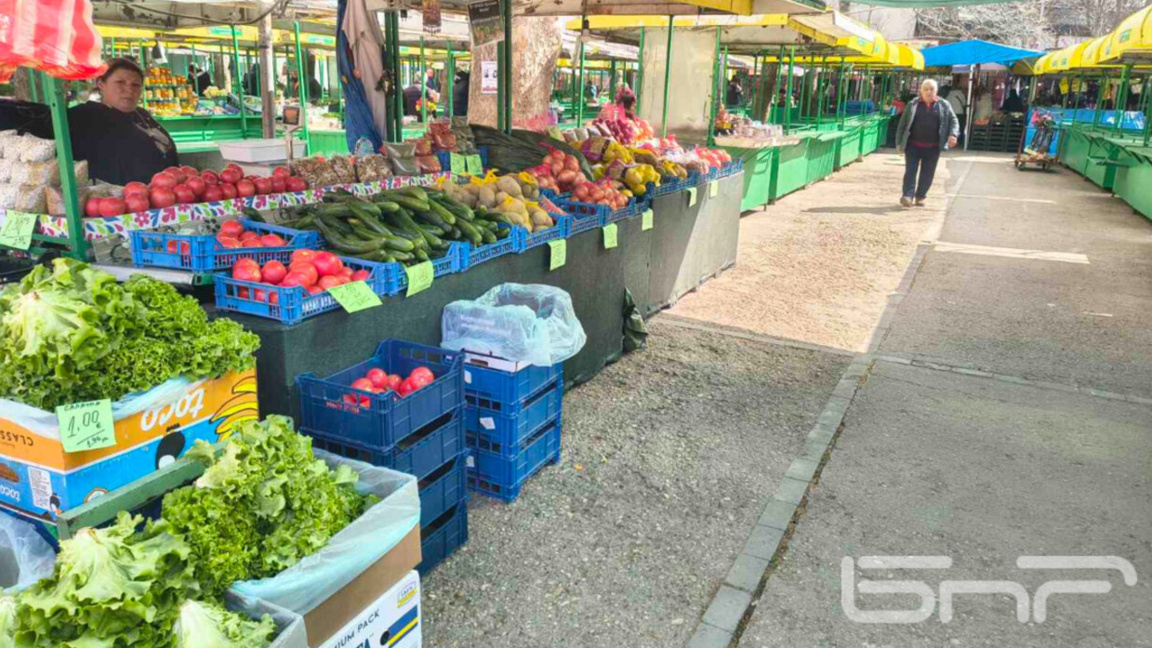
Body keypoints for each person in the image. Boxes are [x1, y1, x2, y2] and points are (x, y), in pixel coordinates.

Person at [69, 58, 178, 186]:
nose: (129, 89)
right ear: (101, 84)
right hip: (115, 196)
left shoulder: (142, 115)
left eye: (135, 85)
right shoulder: (85, 116)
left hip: (164, 192)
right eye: (120, 82)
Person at [895, 79, 959, 208]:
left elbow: (954, 120)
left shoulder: (944, 105)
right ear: (921, 91)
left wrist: (953, 134)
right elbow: (902, 124)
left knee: (928, 173)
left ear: (936, 91)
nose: (929, 92)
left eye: (932, 89)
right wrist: (899, 143)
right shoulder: (913, 104)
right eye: (926, 89)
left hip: (933, 147)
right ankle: (907, 196)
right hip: (912, 146)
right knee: (910, 171)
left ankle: (920, 196)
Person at [945, 79, 967, 145]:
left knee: (951, 127)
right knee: (960, 127)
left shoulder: (948, 95)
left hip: (950, 114)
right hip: (959, 113)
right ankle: (960, 141)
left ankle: (949, 141)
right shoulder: (961, 94)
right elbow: (964, 104)